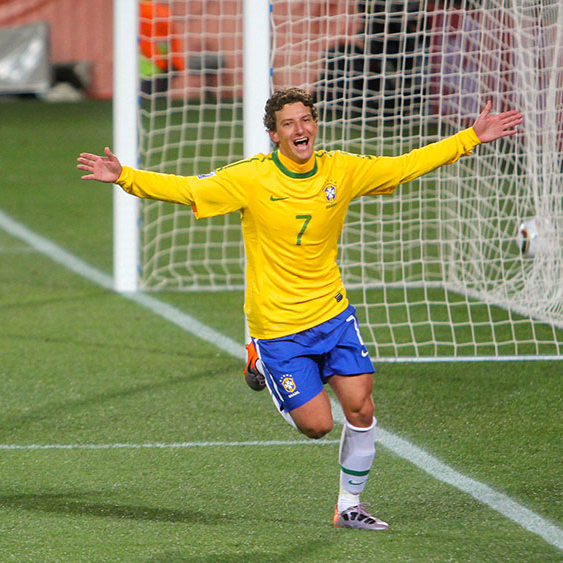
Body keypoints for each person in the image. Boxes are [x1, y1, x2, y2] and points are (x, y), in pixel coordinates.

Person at [77, 88, 522, 529]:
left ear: (314, 124)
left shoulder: (340, 169)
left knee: (361, 409)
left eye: (305, 119)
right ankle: (259, 359)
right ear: (274, 135)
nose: (300, 129)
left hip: (333, 315)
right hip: (278, 326)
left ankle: (349, 506)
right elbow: (187, 188)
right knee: (317, 427)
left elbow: (403, 167)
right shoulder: (251, 178)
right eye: (288, 123)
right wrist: (125, 176)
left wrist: (470, 137)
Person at [139, 1, 186, 95]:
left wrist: (173, 63)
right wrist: (176, 63)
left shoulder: (146, 11)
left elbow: (146, 42)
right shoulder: (162, 11)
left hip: (155, 69)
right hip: (159, 68)